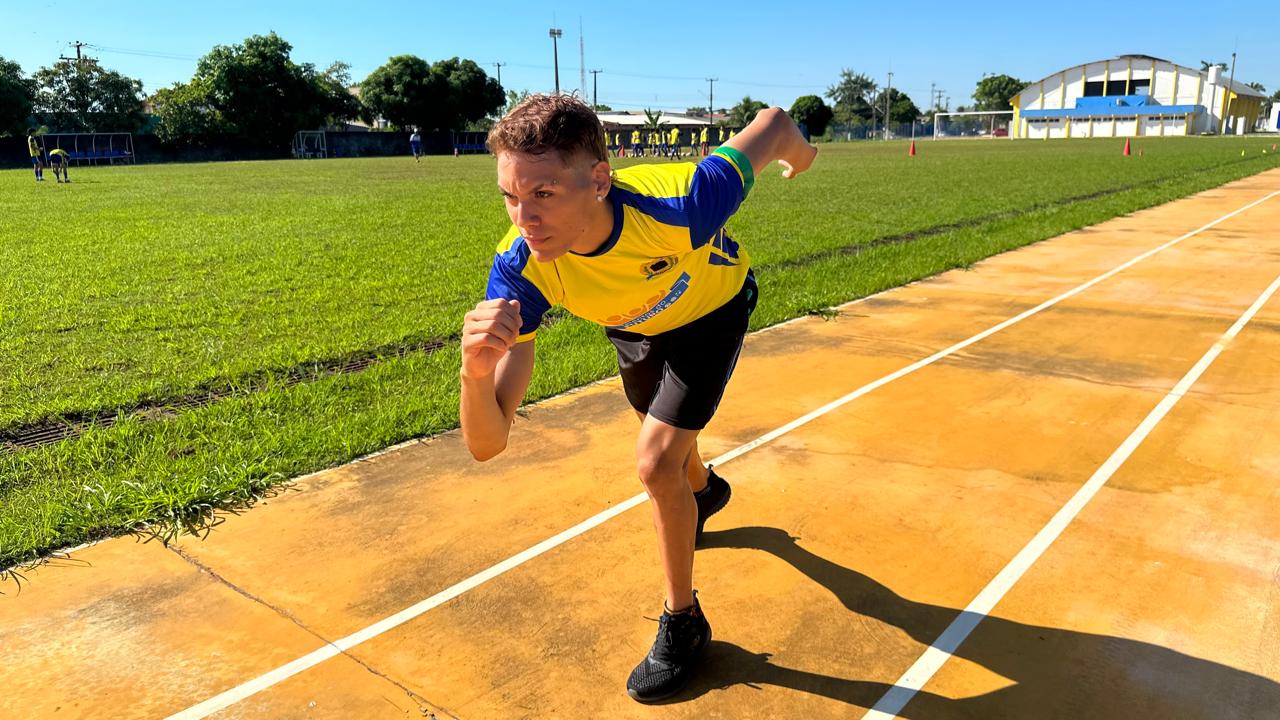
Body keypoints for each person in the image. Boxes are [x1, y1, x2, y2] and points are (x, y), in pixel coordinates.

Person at [460, 94, 815, 702]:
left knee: (655, 461)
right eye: (510, 197)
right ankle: (706, 490)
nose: (525, 219)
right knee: (672, 451)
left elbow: (775, 125)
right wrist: (472, 371)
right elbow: (488, 445)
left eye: (544, 194)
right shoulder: (521, 269)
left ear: (599, 180)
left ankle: (684, 622)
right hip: (634, 324)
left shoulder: (681, 204)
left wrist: (800, 156)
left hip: (712, 311)